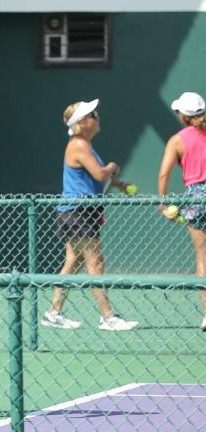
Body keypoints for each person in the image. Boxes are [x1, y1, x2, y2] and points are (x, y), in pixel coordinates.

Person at [43, 99, 138, 331]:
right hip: (77, 213)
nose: (97, 117)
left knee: (73, 263)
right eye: (92, 114)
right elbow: (98, 174)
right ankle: (108, 316)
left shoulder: (85, 144)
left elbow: (94, 178)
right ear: (82, 123)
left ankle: (53, 313)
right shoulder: (79, 145)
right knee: (96, 262)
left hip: (80, 212)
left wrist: (117, 183)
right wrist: (112, 167)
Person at [157, 90, 206, 331]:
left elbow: (164, 173)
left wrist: (163, 204)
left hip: (196, 198)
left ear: (183, 116)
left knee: (203, 257)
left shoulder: (177, 140)